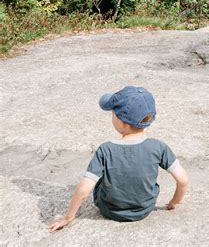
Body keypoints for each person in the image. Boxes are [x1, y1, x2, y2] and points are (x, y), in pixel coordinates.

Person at [49, 85, 188, 231]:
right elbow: (183, 180)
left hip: (110, 210)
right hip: (144, 209)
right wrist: (175, 201)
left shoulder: (106, 149)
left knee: (100, 178)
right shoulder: (158, 146)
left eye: (113, 114)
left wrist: (68, 218)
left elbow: (84, 190)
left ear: (122, 121)